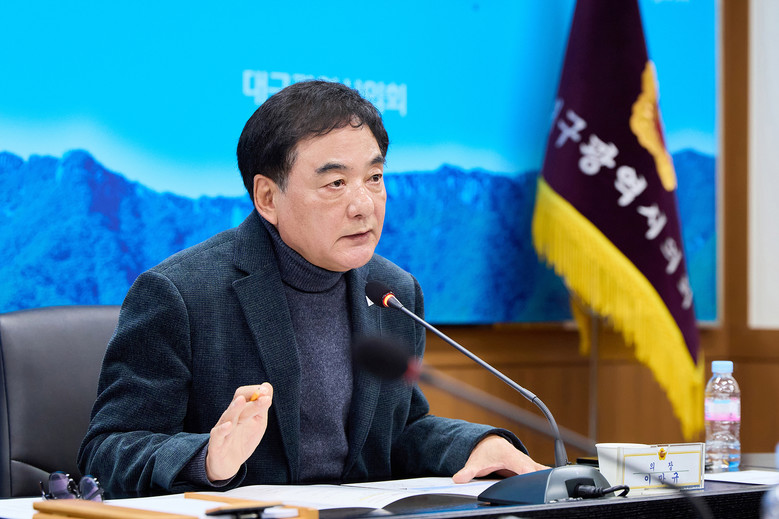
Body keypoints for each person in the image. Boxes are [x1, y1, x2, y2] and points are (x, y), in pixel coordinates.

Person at [78, 80, 546, 498]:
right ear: (268, 197)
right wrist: (207, 459)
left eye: (374, 178)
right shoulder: (180, 294)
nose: (363, 205)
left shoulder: (394, 292)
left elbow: (397, 431)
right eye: (336, 183)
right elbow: (107, 451)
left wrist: (475, 444)